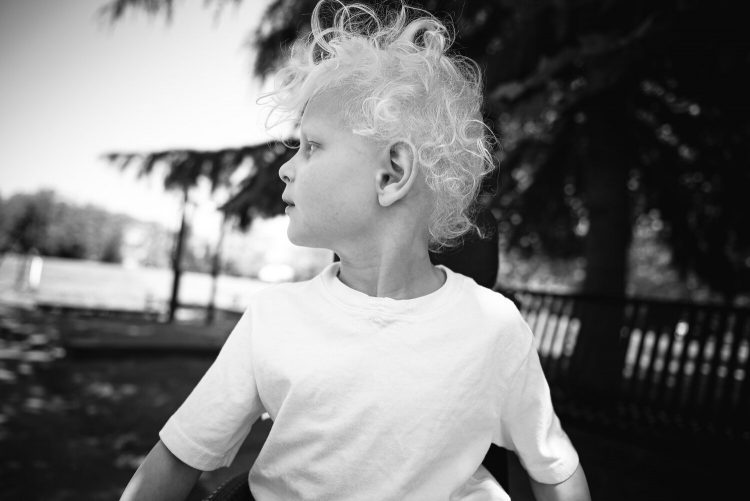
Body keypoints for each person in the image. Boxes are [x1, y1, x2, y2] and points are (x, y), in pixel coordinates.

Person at [119, 1, 591, 500]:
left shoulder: (494, 330)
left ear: (391, 174)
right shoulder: (274, 318)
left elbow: (553, 468)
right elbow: (176, 460)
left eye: (312, 146)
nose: (286, 167)